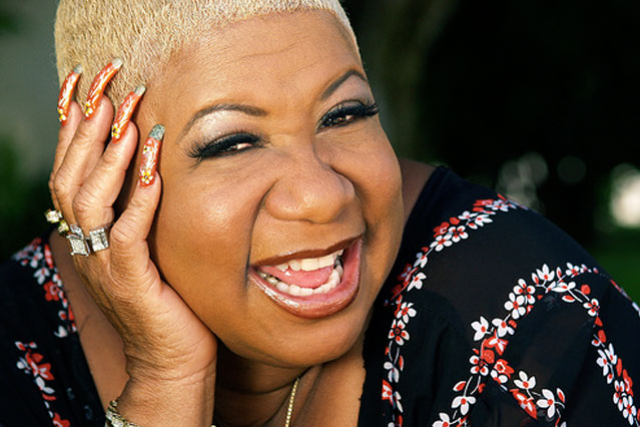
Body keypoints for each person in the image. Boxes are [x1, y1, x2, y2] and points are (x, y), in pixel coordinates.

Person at [1, 1, 638, 426]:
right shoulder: (18, 346)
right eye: (233, 143)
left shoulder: (523, 323)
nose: (323, 196)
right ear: (104, 175)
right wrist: (166, 383)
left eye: (344, 114)